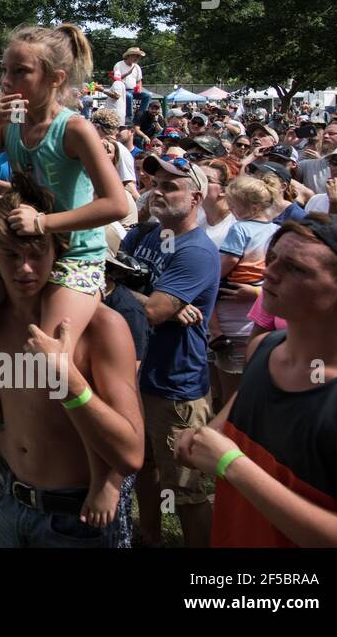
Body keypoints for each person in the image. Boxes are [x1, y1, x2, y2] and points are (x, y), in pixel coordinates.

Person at [0, 22, 128, 520]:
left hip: (75, 256)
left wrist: (45, 220)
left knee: (54, 364)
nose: (8, 82)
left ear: (53, 77)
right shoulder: (10, 125)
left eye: (20, 73)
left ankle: (107, 474)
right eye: (4, 72)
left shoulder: (74, 128)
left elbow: (117, 202)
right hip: (27, 249)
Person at [0, 186, 143, 546]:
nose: (25, 268)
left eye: (36, 254)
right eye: (11, 255)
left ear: (57, 251)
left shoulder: (102, 328)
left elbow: (131, 453)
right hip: (10, 499)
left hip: (77, 516)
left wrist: (70, 381)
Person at [175, 216, 337, 546]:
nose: (270, 272)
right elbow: (217, 437)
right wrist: (196, 442)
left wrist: (231, 464)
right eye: (273, 257)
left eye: (296, 268)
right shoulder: (265, 349)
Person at [122, 155, 220, 547]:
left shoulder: (196, 250)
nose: (158, 191)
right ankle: (150, 537)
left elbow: (150, 311)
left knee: (188, 487)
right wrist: (154, 301)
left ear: (196, 197)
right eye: (156, 183)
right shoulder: (144, 233)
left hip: (176, 383)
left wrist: (150, 302)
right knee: (144, 466)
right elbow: (108, 273)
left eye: (170, 186)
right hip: (138, 375)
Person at [212, 175, 279, 408]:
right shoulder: (278, 230)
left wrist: (209, 277)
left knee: (230, 394)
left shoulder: (240, 229)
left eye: (234, 204)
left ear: (253, 206)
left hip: (233, 323)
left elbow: (228, 261)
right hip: (259, 317)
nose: (230, 208)